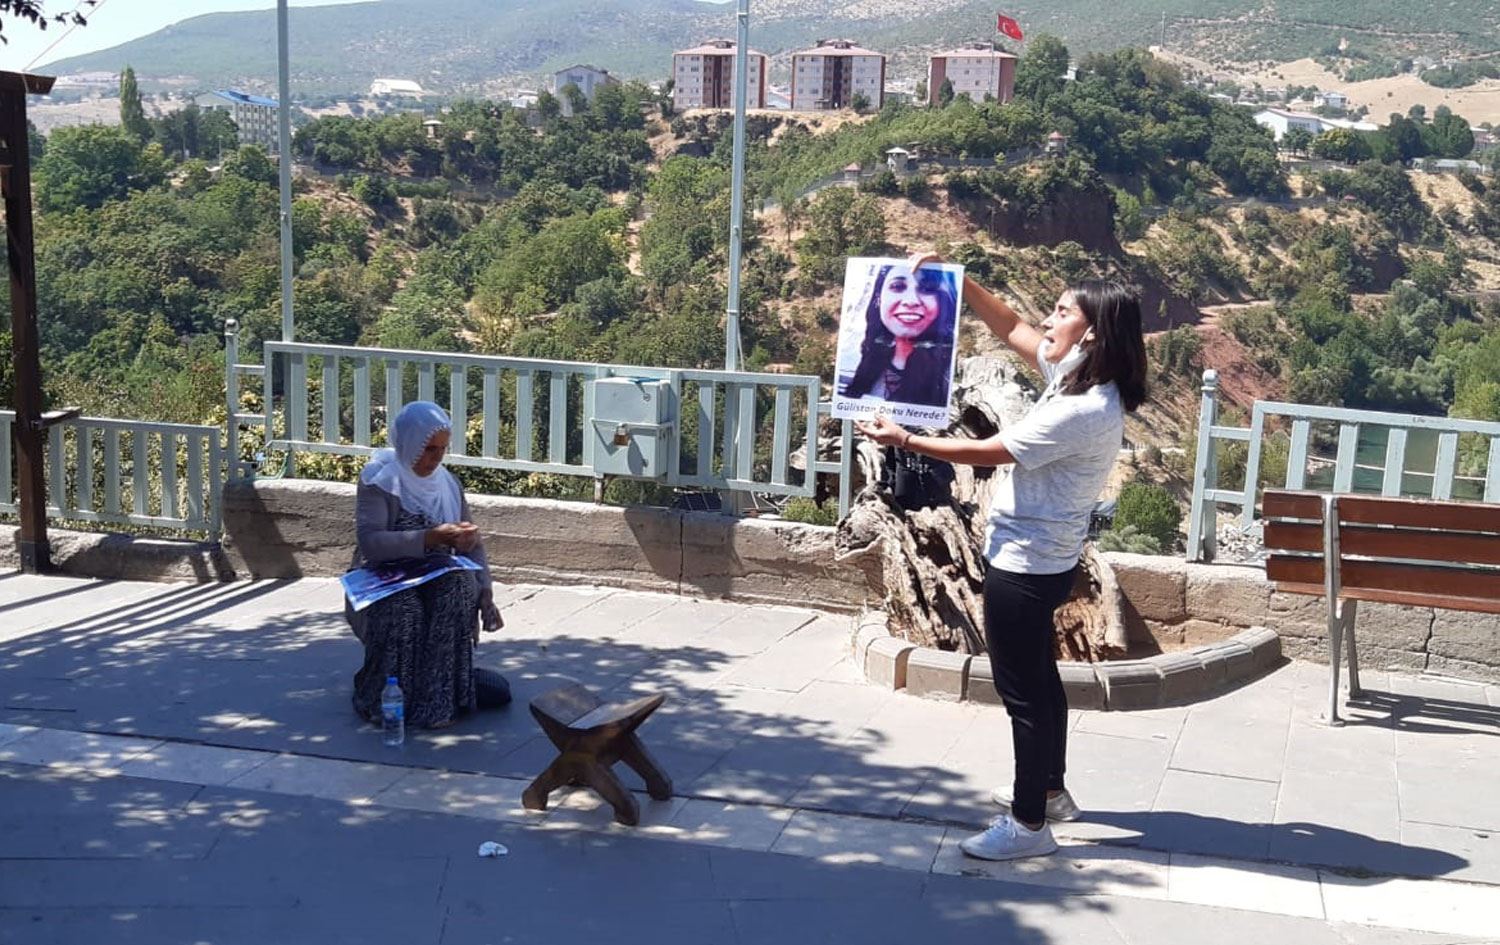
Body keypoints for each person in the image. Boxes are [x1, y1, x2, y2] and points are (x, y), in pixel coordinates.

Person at [857, 254, 1147, 861]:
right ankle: (1050, 791)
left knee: (1023, 694)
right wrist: (957, 279)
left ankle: (1028, 825)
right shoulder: (1078, 376)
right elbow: (1011, 325)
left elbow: (990, 450)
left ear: (1091, 332)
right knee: (1041, 678)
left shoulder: (1083, 408)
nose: (1049, 319)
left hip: (1026, 562)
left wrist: (904, 439)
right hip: (1047, 556)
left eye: (1062, 312)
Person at [347, 401, 510, 729]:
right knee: (404, 609)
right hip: (386, 576)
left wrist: (486, 590)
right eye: (428, 449)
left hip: (435, 572)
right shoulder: (380, 481)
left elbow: (472, 543)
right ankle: (388, 696)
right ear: (409, 444)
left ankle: (439, 700)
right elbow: (371, 543)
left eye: (441, 450)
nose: (435, 458)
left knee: (457, 589)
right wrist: (429, 538)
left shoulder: (447, 484)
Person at [839, 262, 958, 408]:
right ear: (878, 298)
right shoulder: (871, 360)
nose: (911, 301)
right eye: (897, 287)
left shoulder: (950, 374)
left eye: (927, 289)